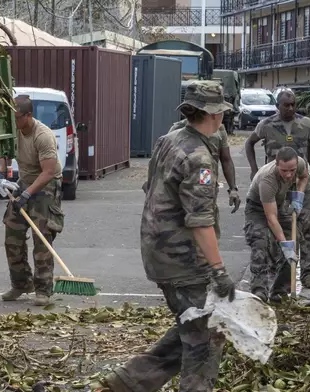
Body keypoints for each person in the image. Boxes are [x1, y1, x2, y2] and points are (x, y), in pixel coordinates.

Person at [101, 82, 236, 392]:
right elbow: (200, 221)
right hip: (182, 259)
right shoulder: (200, 157)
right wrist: (218, 272)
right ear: (215, 115)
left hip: (157, 250)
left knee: (191, 327)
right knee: (205, 338)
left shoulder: (169, 139)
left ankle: (126, 384)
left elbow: (150, 188)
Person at [244, 90, 310, 289]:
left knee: (307, 228)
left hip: (300, 183)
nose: (290, 108)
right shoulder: (266, 125)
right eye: (286, 105)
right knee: (278, 229)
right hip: (275, 185)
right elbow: (249, 143)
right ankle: (278, 274)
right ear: (277, 106)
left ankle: (308, 273)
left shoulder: (305, 124)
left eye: (293, 104)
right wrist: (254, 169)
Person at [1, 95, 65, 306]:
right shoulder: (15, 131)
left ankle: (43, 290)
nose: (14, 121)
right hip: (24, 182)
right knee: (12, 232)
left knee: (42, 237)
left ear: (28, 115)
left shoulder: (43, 136)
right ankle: (21, 283)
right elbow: (6, 156)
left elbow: (48, 172)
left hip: (46, 186)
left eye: (17, 117)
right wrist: (4, 175)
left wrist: (27, 194)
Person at [244, 146, 309, 303]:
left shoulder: (299, 163)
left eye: (291, 170)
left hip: (278, 205)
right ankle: (259, 291)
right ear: (277, 165)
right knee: (260, 243)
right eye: (284, 171)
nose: (288, 175)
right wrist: (283, 244)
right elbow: (271, 218)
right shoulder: (267, 179)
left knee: (294, 242)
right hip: (258, 208)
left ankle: (279, 291)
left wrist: (299, 195)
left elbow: (304, 176)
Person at [168, 111, 241, 213]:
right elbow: (165, 159)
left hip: (206, 179)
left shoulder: (219, 129)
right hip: (180, 185)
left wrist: (233, 189)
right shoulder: (178, 129)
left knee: (205, 214)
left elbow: (226, 159)